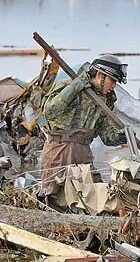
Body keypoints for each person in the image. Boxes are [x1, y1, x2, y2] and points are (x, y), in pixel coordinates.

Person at [40, 54, 127, 192]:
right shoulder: (68, 86)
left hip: (84, 152)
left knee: (92, 194)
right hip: (60, 150)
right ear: (99, 74)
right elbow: (50, 111)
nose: (114, 86)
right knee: (54, 194)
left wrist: (122, 136)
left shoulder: (105, 101)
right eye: (113, 80)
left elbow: (106, 136)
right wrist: (75, 88)